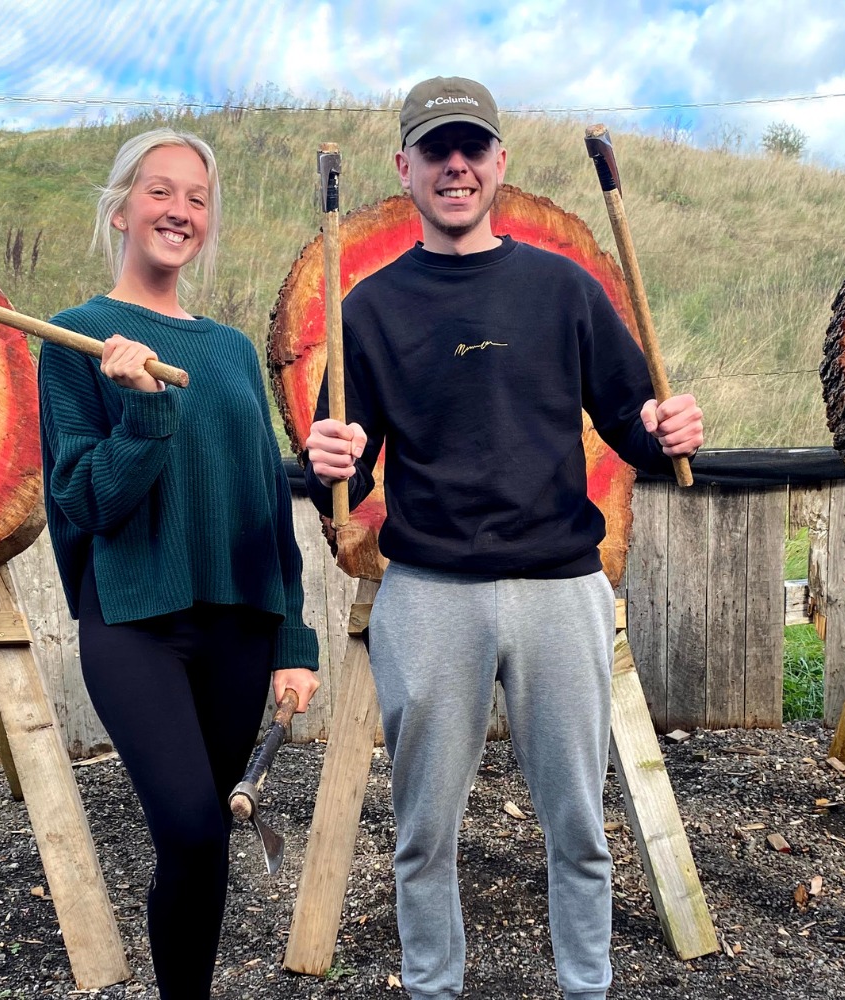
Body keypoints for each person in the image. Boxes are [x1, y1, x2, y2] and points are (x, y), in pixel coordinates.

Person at [303, 78, 704, 1000]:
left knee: (578, 824)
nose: (456, 166)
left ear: (499, 164)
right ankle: (434, 986)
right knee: (422, 831)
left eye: (472, 149)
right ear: (403, 168)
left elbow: (634, 419)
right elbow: (348, 475)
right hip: (430, 590)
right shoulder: (366, 307)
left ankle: (586, 986)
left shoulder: (563, 287)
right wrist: (332, 461)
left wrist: (667, 430)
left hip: (562, 587)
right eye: (436, 151)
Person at [37, 127, 321, 998]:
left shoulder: (233, 350)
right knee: (194, 828)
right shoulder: (78, 340)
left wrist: (294, 639)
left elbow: (266, 505)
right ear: (122, 209)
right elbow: (83, 500)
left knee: (200, 851)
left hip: (240, 624)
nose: (180, 211)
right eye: (161, 192)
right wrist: (144, 412)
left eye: (198, 199)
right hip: (133, 622)